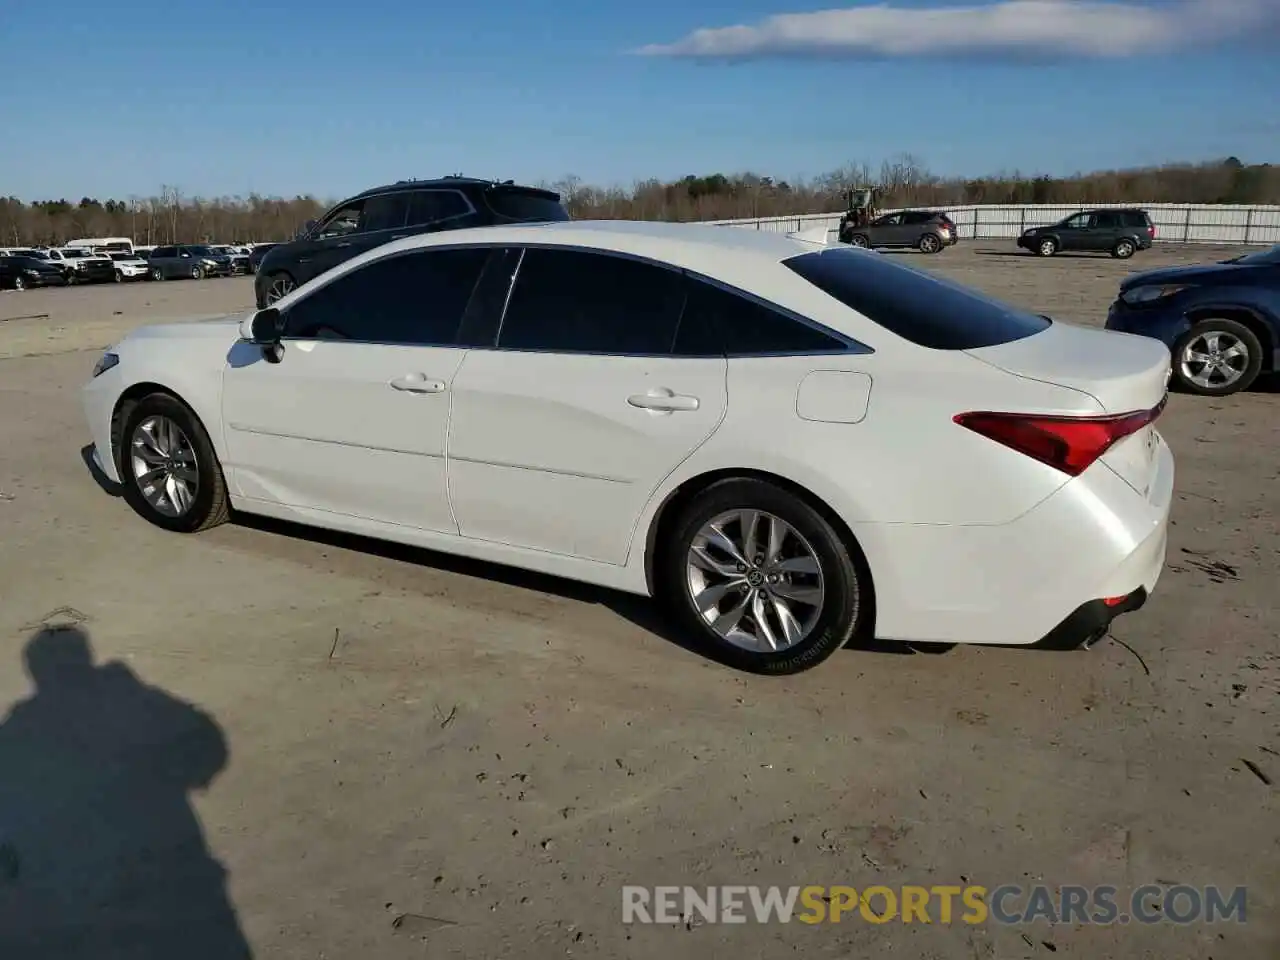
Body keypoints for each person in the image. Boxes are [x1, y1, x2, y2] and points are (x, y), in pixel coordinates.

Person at [0, 626, 251, 959]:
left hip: (76, 922)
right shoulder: (131, 701)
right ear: (86, 658)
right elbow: (208, 744)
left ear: (36, 675)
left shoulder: (16, 738)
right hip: (175, 899)